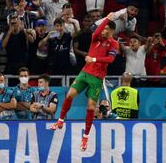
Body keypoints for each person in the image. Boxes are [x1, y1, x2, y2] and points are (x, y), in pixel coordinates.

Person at [50, 17, 119, 151]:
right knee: (70, 94)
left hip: (97, 77)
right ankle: (60, 121)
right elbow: (96, 30)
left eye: (106, 28)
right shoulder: (96, 38)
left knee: (92, 107)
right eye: (103, 28)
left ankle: (85, 137)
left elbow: (110, 59)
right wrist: (106, 19)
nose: (103, 31)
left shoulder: (113, 44)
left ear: (111, 30)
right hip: (85, 72)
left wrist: (94, 59)